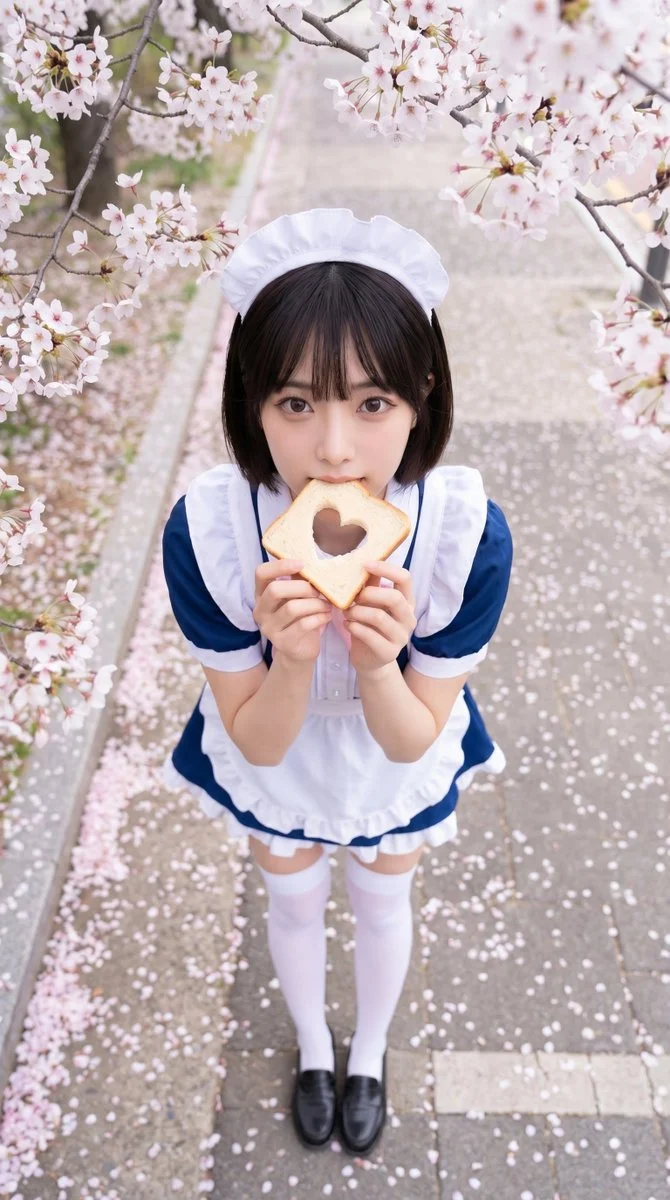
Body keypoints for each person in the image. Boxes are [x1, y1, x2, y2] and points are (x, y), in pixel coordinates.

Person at [161, 207, 513, 1156]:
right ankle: (315, 1049)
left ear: (422, 395)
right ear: (251, 401)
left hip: (390, 747)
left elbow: (412, 737)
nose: (333, 452)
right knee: (291, 898)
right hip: (273, 746)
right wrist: (291, 654)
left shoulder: (461, 537)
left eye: (370, 404)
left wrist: (372, 659)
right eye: (295, 404)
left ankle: (370, 1052)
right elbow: (259, 740)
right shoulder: (213, 533)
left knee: (383, 897)